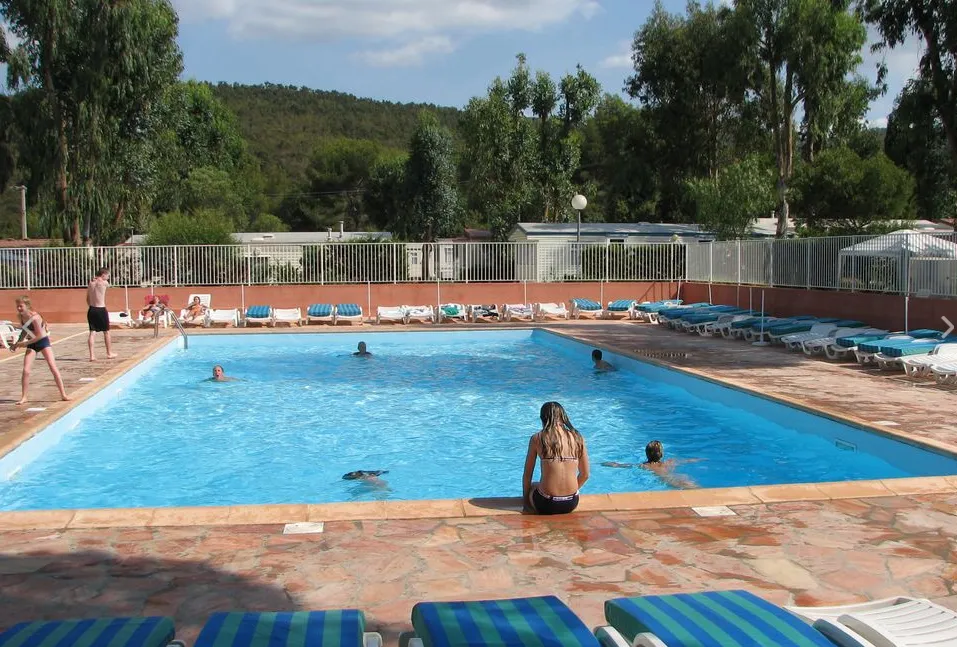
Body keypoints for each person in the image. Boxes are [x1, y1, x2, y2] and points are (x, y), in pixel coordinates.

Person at [522, 402, 590, 515]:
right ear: (563, 417)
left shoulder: (538, 438)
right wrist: (568, 493)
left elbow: (527, 476)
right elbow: (585, 475)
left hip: (546, 503)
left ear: (543, 419)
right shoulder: (578, 437)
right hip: (571, 503)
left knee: (534, 485)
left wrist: (526, 504)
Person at [10, 296, 70, 405]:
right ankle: (24, 397)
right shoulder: (21, 316)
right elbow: (25, 330)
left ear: (27, 306)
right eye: (17, 306)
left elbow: (40, 336)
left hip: (43, 342)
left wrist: (24, 343)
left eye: (21, 306)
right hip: (32, 344)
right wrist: (17, 343)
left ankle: (63, 394)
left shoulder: (35, 317)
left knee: (53, 367)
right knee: (26, 370)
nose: (19, 308)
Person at [602, 440, 700, 490]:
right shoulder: (669, 462)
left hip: (667, 481)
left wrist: (606, 463)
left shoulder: (645, 466)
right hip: (680, 477)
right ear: (661, 454)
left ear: (646, 453)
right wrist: (700, 459)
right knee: (695, 488)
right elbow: (688, 460)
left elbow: (620, 465)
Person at [86, 267, 116, 361]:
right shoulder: (104, 283)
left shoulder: (91, 283)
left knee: (92, 332)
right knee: (106, 332)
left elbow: (87, 299)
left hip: (92, 309)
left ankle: (92, 356)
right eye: (108, 275)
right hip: (101, 309)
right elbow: (108, 284)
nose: (108, 277)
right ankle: (109, 353)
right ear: (103, 275)